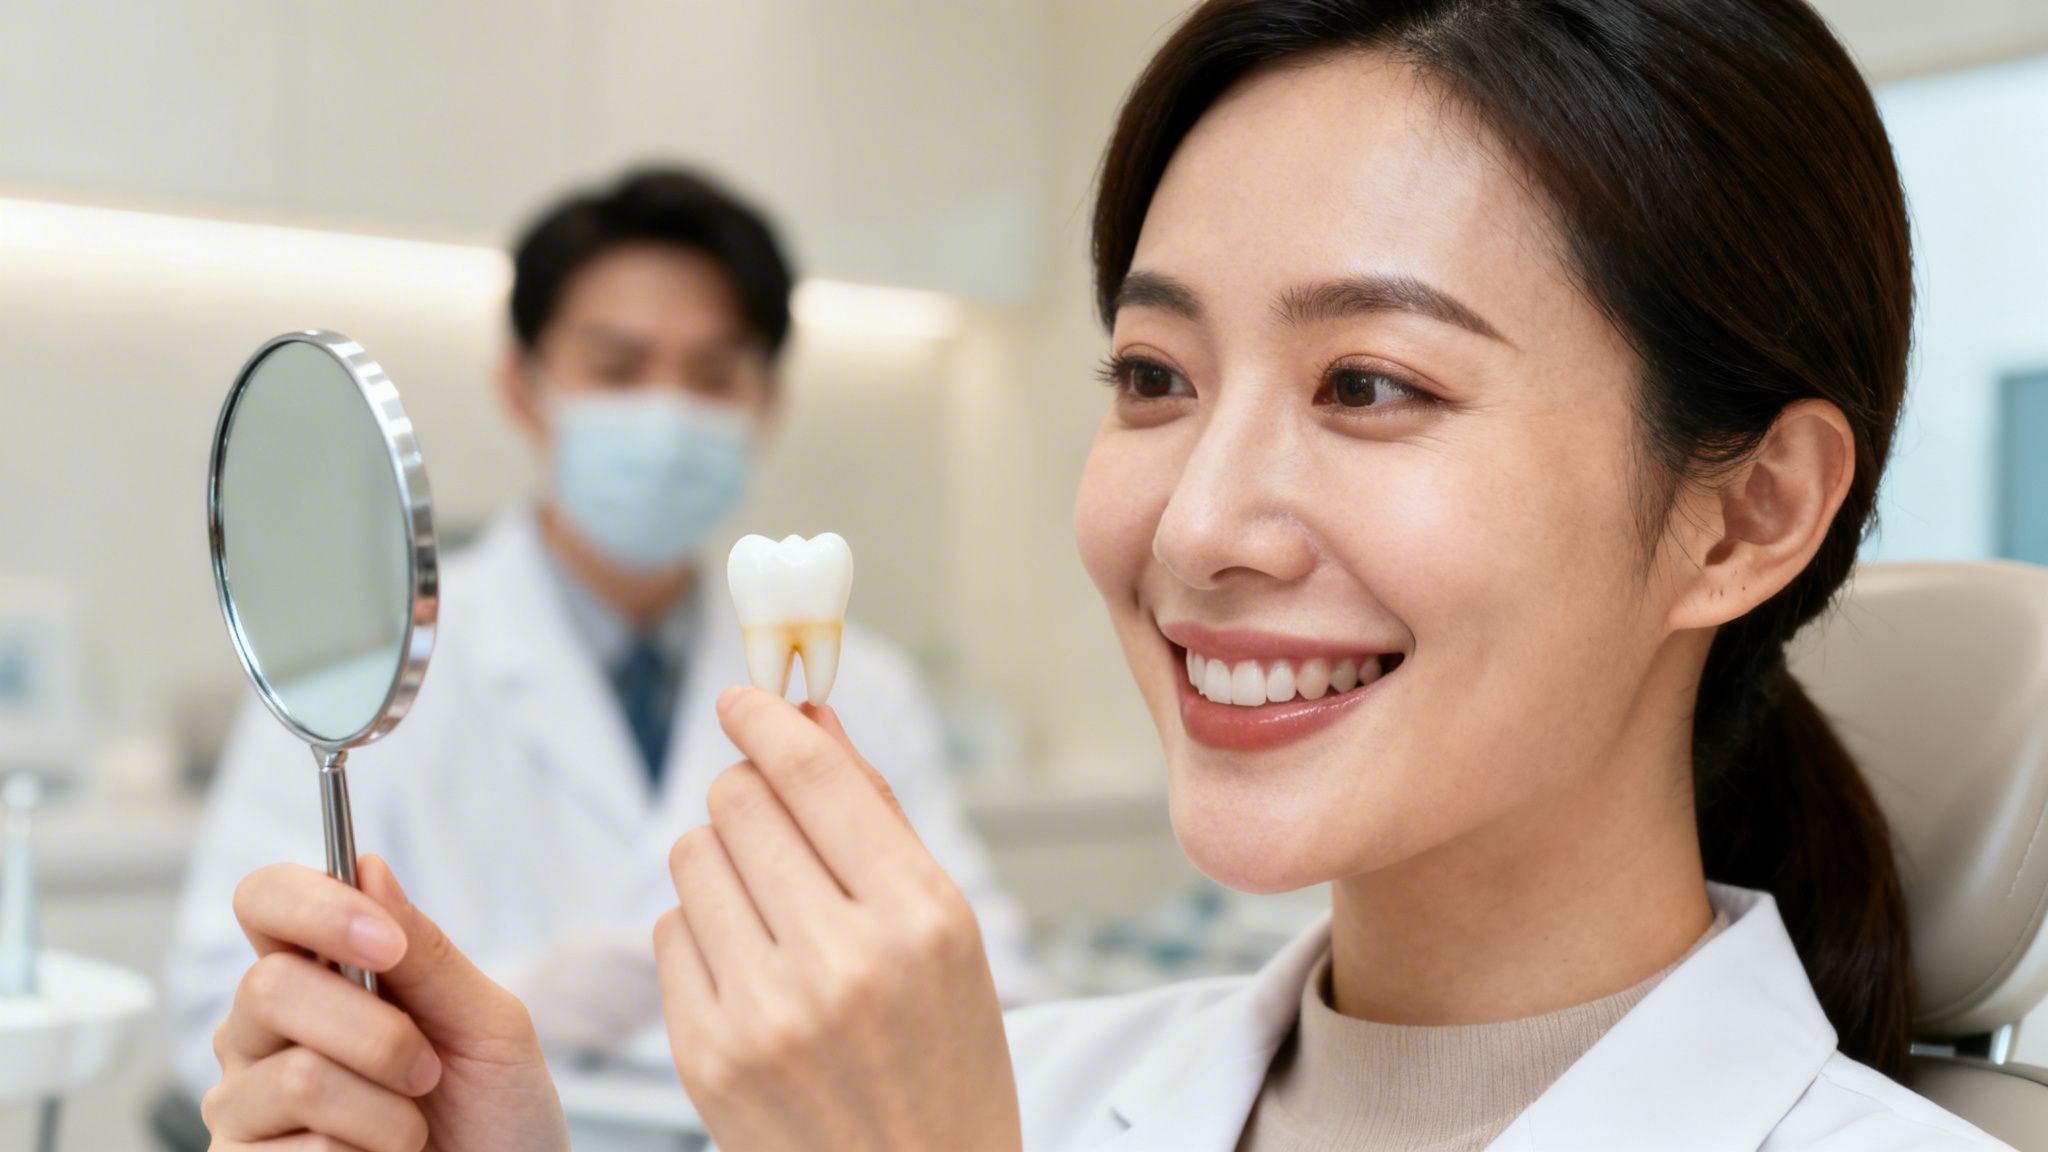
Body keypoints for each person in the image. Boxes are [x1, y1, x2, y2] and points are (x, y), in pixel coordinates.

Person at [193, 1, 2018, 1149]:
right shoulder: (1045, 1094)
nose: (1196, 520)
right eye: (1152, 377)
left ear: (1745, 514)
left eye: (1367, 385)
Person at [164, 167, 1039, 1105]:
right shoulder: (359, 675)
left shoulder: (866, 689)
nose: (666, 413)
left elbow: (1000, 999)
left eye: (713, 374)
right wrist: (501, 997)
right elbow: (221, 1009)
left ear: (765, 405)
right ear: (523, 387)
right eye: (618, 368)